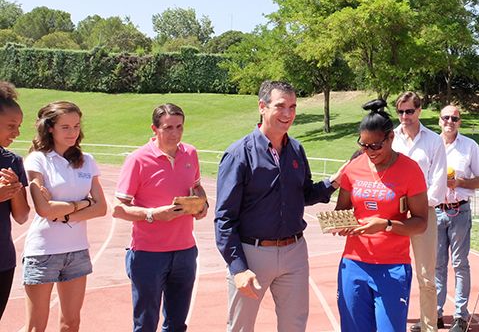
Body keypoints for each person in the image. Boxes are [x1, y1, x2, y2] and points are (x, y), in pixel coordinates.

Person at [215, 80, 343, 332]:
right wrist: (238, 267)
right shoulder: (239, 154)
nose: (288, 114)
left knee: (294, 326)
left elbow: (303, 194)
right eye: (281, 106)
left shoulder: (296, 149)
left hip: (294, 252)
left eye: (293, 107)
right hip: (252, 254)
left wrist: (333, 183)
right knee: (241, 328)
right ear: (262, 107)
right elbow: (224, 218)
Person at [334, 99, 429, 332]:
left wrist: (386, 224)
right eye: (364, 146)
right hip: (354, 263)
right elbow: (341, 210)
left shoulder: (410, 170)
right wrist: (339, 223)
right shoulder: (353, 167)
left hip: (392, 266)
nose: (370, 152)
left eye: (376, 146)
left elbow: (420, 222)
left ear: (391, 138)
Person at [112, 104, 208, 331]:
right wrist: (152, 215)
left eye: (179, 127)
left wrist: (202, 204)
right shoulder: (137, 159)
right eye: (168, 128)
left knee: (177, 324)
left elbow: (197, 187)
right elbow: (118, 208)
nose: (175, 133)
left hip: (185, 252)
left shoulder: (190, 153)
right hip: (148, 254)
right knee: (145, 324)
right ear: (154, 129)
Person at [23, 101, 108, 331]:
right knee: (36, 327)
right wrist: (83, 203)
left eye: (76, 126)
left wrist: (66, 213)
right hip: (43, 251)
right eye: (65, 127)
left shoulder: (87, 161)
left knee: (71, 323)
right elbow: (44, 209)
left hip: (77, 251)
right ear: (50, 128)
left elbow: (101, 208)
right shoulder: (37, 160)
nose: (73, 132)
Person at [391, 92, 447, 332]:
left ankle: (429, 327)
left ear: (419, 111)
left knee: (426, 276)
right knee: (391, 271)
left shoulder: (434, 141)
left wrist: (419, 206)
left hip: (424, 213)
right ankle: (392, 324)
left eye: (409, 111)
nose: (405, 116)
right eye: (401, 112)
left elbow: (439, 181)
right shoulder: (390, 138)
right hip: (393, 213)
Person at [436, 105, 479, 332]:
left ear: (459, 122)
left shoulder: (470, 146)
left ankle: (460, 316)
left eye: (454, 118)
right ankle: (436, 312)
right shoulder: (431, 144)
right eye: (446, 117)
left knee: (460, 264)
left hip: (459, 211)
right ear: (439, 120)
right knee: (436, 264)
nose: (450, 121)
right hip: (435, 210)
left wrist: (459, 183)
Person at [0, 82, 29, 320]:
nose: (16, 133)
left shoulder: (12, 161)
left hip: (3, 261)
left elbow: (21, 216)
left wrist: (16, 188)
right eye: (11, 126)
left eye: (18, 126)